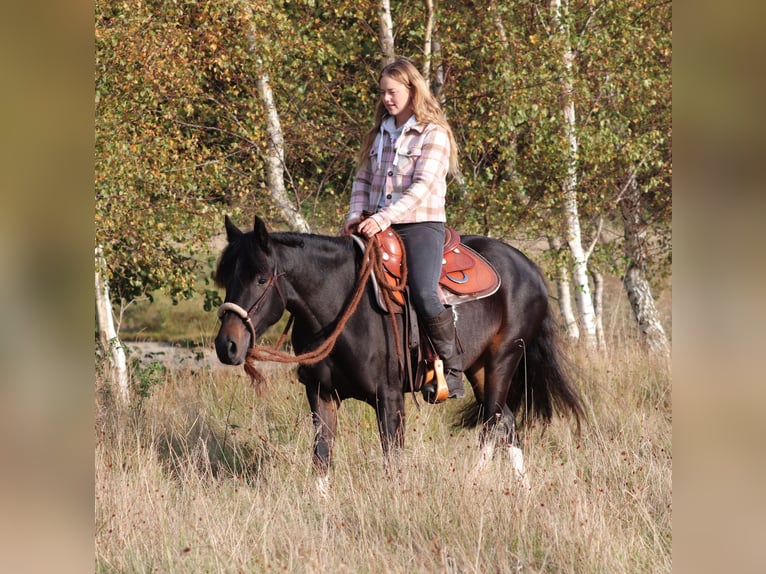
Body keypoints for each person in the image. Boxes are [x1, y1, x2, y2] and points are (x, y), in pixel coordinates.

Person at [340, 57, 464, 400]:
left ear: (412, 90)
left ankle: (451, 369)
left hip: (420, 224)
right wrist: (355, 214)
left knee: (424, 292)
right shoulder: (379, 133)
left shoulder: (433, 134)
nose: (386, 100)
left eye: (392, 92)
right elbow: (362, 178)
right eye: (382, 93)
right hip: (376, 223)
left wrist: (382, 218)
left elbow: (423, 185)